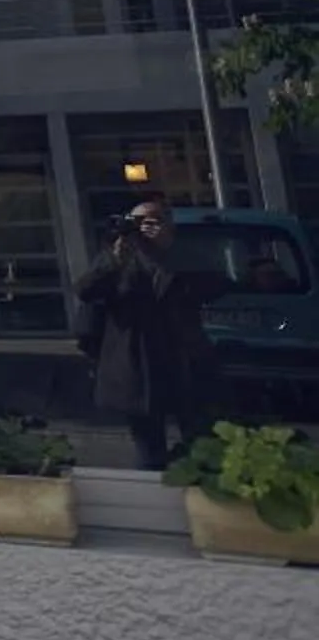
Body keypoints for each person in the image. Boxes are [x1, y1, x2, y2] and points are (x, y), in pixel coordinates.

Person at [77, 196, 229, 470]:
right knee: (149, 449)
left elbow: (216, 284)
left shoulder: (183, 255)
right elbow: (86, 290)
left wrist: (168, 250)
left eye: (153, 221)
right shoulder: (119, 257)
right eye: (137, 222)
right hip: (137, 361)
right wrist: (114, 259)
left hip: (181, 358)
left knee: (200, 442)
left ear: (169, 225)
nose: (144, 228)